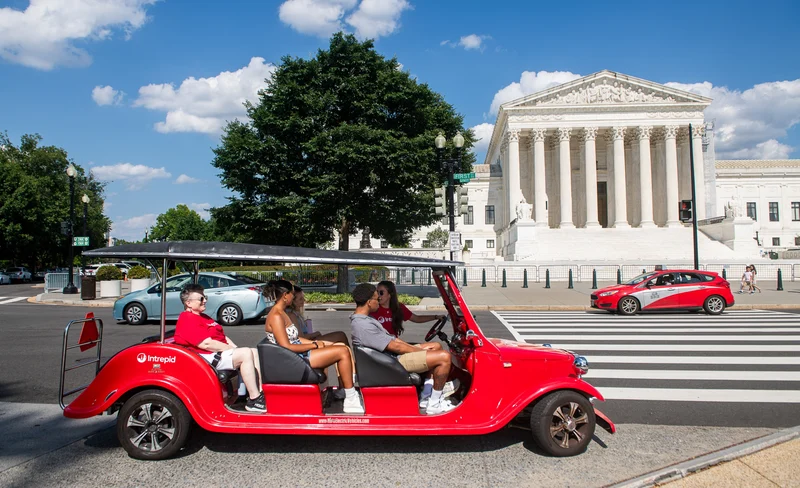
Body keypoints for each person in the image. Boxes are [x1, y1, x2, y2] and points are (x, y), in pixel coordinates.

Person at [351, 283, 457, 415]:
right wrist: (421, 352)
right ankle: (434, 404)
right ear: (368, 302)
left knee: (435, 346)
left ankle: (426, 395)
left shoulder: (366, 319)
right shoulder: (363, 324)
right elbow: (396, 346)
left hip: (390, 356)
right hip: (391, 361)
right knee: (444, 357)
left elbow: (394, 340)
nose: (378, 301)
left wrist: (416, 348)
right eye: (376, 298)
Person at [264, 279, 364, 414]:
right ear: (285, 295)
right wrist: (314, 345)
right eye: (292, 294)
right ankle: (351, 398)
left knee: (341, 347)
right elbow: (286, 346)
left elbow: (295, 338)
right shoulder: (276, 316)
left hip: (296, 354)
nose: (293, 297)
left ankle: (347, 389)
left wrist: (318, 344)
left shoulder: (282, 313)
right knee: (342, 352)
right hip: (293, 359)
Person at [174, 284, 266, 413]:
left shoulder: (203, 317)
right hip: (206, 357)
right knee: (245, 353)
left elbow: (221, 336)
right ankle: (254, 399)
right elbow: (206, 344)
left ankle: (260, 394)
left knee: (253, 352)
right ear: (188, 303)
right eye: (201, 298)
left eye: (204, 297)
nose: (205, 300)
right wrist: (231, 350)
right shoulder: (187, 319)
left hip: (215, 352)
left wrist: (235, 348)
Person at [371, 280, 445, 338]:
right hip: (381, 347)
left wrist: (435, 317)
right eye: (377, 292)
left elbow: (417, 318)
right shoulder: (373, 308)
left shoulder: (399, 308)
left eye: (381, 292)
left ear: (390, 294)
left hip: (394, 344)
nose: (378, 296)